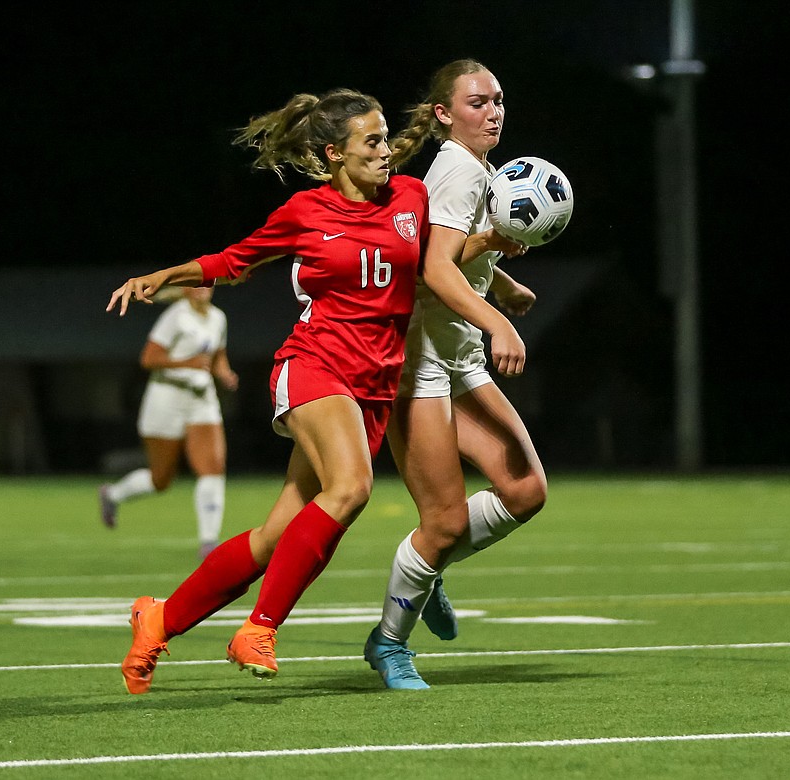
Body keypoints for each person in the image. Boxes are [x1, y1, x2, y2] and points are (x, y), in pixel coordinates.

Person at [105, 87, 526, 694]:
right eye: (372, 142)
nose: (387, 153)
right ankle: (259, 629)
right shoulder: (306, 212)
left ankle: (158, 620)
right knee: (351, 487)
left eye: (386, 139)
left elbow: (435, 262)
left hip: (374, 386)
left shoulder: (411, 197)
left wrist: (495, 266)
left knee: (278, 535)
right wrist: (162, 276)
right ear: (334, 154)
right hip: (314, 365)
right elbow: (234, 261)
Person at [363, 59, 548, 690]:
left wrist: (503, 276)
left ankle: (427, 566)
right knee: (441, 521)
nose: (492, 112)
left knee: (525, 490)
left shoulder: (479, 170)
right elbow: (434, 271)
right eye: (477, 102)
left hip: (456, 355)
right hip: (418, 361)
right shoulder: (458, 171)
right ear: (444, 113)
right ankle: (389, 644)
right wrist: (500, 321)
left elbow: (445, 253)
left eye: (498, 100)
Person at [98, 285, 239, 561]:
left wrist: (225, 374)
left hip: (201, 399)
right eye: (195, 283)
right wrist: (188, 364)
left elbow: (217, 356)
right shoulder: (176, 316)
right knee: (160, 479)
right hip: (166, 399)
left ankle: (209, 543)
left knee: (213, 468)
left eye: (207, 282)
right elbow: (149, 358)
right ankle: (113, 495)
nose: (202, 288)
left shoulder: (217, 317)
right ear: (185, 289)